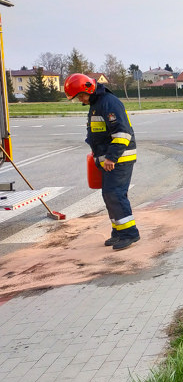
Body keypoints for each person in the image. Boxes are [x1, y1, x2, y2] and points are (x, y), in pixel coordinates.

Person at [64, 74, 141, 250]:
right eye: (77, 98)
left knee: (115, 194)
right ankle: (119, 231)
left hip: (119, 158)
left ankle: (130, 233)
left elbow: (123, 133)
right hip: (109, 159)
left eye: (81, 96)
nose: (80, 100)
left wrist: (111, 158)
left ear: (88, 88)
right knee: (109, 194)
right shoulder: (96, 104)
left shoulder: (109, 103)